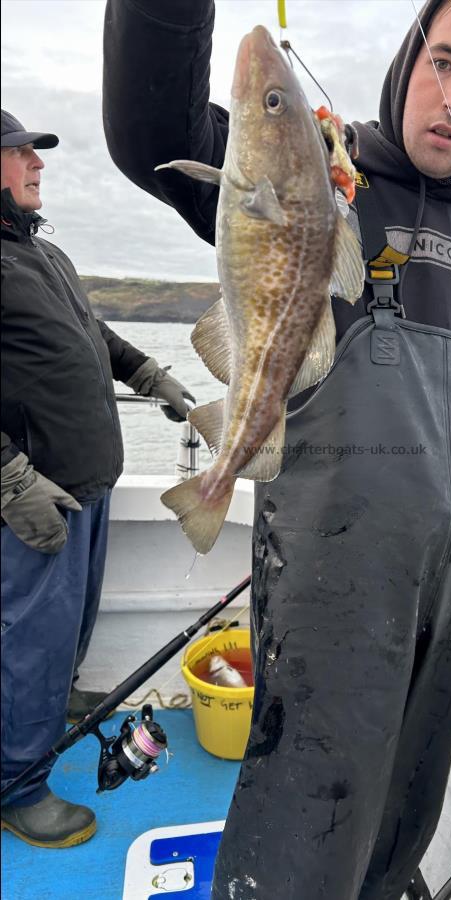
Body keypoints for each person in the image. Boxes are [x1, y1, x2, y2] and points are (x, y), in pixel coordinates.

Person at [102, 0, 451, 896]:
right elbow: (148, 129)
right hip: (337, 569)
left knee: (410, 791)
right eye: (443, 63)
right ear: (407, 62)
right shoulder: (324, 182)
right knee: (308, 790)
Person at [0, 108, 196, 848]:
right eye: (19, 153)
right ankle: (17, 786)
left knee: (70, 629)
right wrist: (11, 481)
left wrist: (151, 374)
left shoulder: (43, 254)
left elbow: (93, 334)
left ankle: (45, 714)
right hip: (32, 498)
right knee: (32, 640)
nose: (36, 164)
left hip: (87, 485)